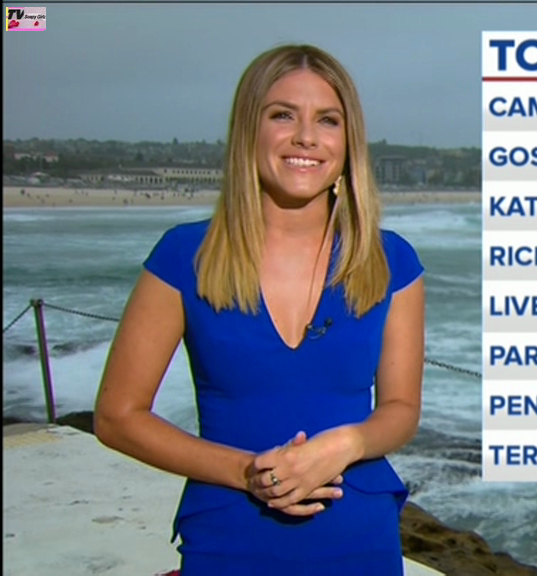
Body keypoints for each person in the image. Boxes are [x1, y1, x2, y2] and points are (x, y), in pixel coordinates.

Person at [94, 44, 425, 575]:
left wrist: (344, 444)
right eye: (283, 115)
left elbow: (401, 409)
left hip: (360, 539)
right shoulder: (184, 257)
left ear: (348, 142)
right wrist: (247, 472)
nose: (306, 137)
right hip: (228, 537)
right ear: (249, 130)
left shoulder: (391, 261)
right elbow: (117, 417)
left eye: (328, 120)